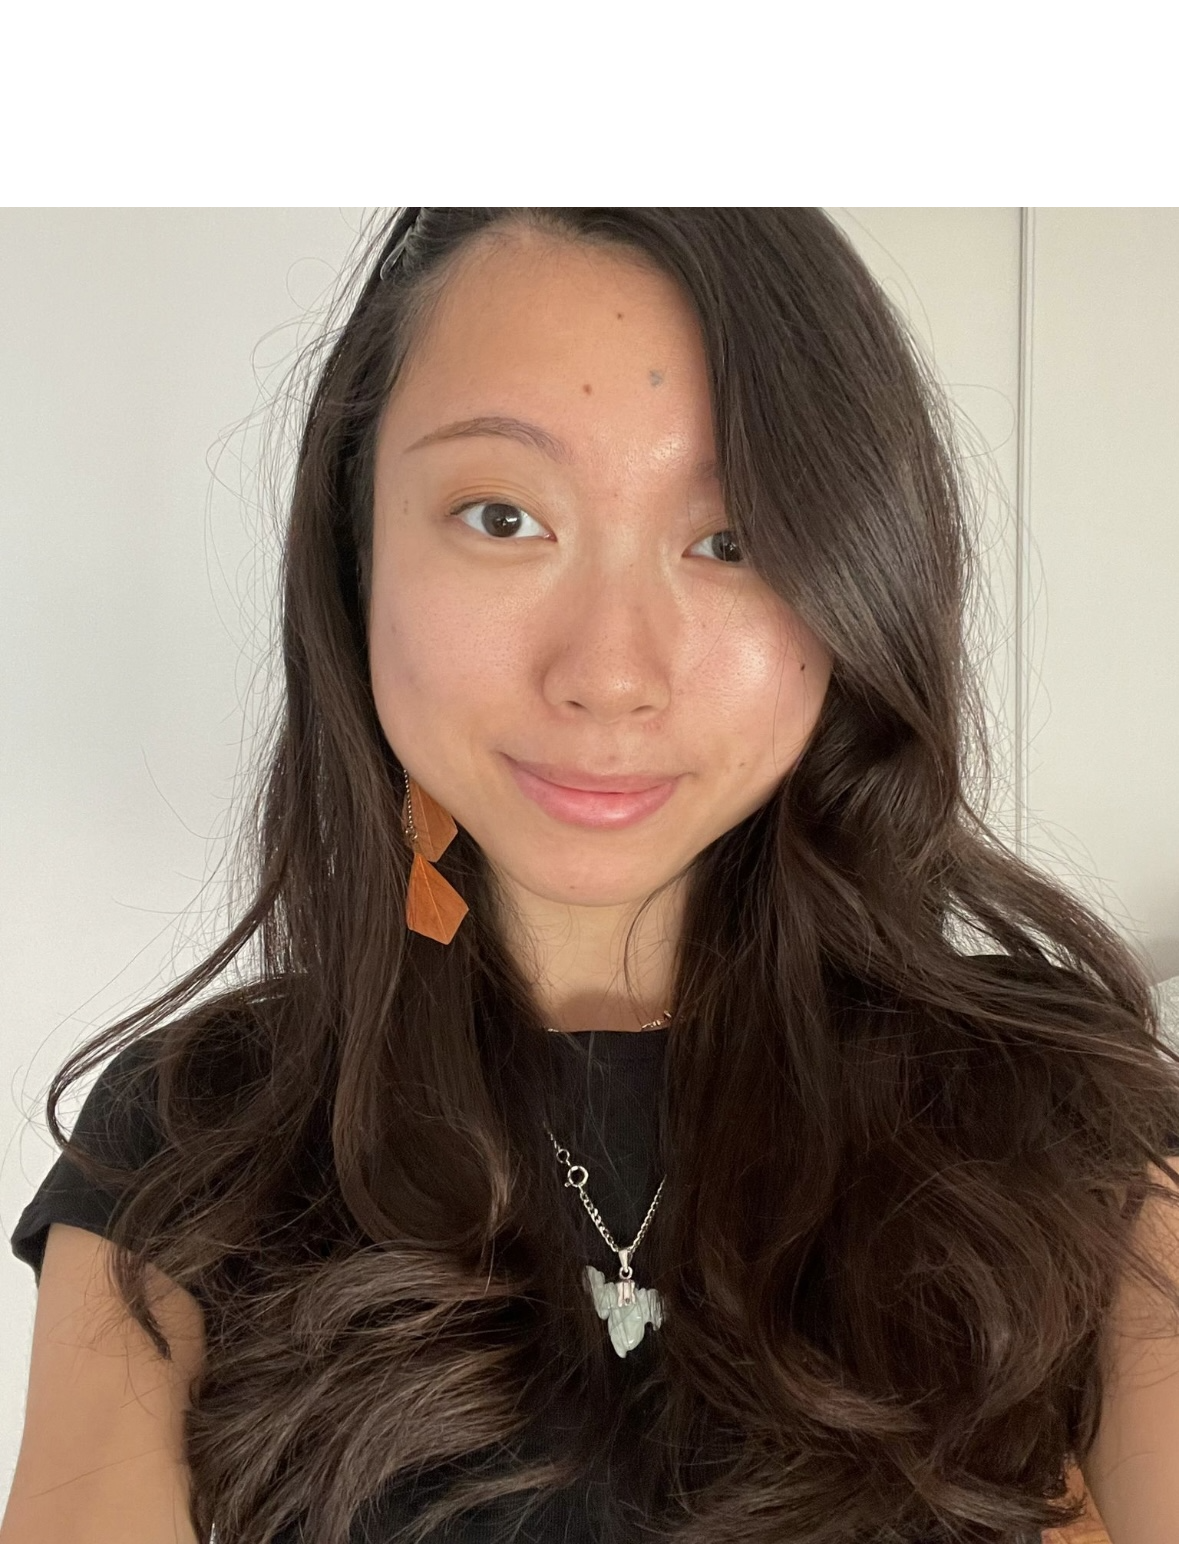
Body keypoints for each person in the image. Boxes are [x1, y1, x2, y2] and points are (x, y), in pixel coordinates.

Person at [3, 207, 1179, 1544]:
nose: (610, 672)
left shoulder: (1058, 1116)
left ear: (860, 579)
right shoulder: (194, 1143)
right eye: (503, 516)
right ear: (356, 551)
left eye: (730, 540)